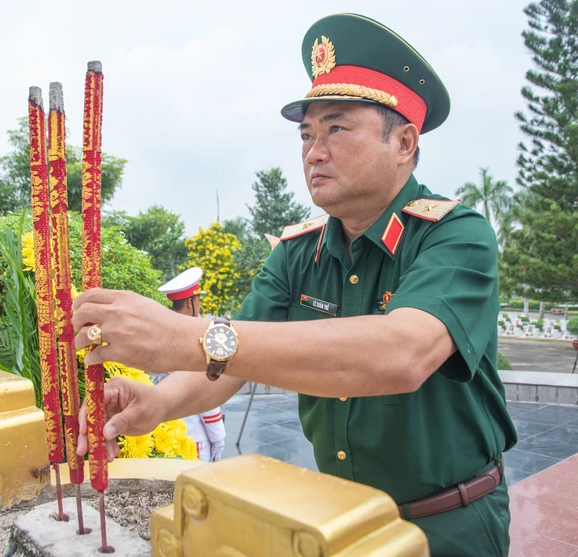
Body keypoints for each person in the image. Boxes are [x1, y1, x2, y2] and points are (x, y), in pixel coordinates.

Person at [72, 13, 516, 557]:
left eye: (336, 128)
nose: (313, 152)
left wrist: (186, 338)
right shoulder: (298, 250)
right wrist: (158, 402)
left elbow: (403, 353)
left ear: (403, 142)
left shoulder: (455, 235)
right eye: (306, 134)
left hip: (450, 522)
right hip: (337, 521)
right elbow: (228, 360)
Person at [152, 267, 226, 462]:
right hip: (194, 437)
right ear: (189, 302)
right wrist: (218, 437)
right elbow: (204, 393)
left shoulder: (160, 333)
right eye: (198, 299)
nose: (199, 304)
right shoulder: (194, 338)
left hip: (164, 434)